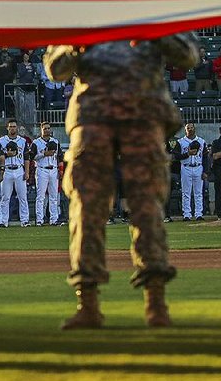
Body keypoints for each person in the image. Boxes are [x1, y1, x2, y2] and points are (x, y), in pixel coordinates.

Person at [44, 33, 200, 329]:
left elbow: (188, 56)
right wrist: (79, 45)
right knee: (86, 209)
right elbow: (55, 70)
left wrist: (156, 34)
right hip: (92, 121)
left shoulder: (152, 12)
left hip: (143, 117)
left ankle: (156, 302)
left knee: (146, 208)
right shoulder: (79, 19)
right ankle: (87, 302)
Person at [0, 119, 31, 227]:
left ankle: (25, 220)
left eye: (14, 126)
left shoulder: (22, 141)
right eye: (10, 126)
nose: (12, 128)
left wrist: (27, 172)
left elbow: (26, 157)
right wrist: (7, 155)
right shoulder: (1, 140)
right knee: (5, 197)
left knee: (22, 196)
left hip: (19, 170)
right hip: (7, 170)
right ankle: (3, 221)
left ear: (17, 128)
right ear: (7, 128)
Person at [30, 122, 63, 226]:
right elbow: (32, 157)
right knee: (40, 196)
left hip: (53, 169)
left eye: (48, 128)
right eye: (45, 128)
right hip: (41, 169)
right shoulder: (36, 142)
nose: (47, 130)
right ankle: (39, 219)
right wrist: (44, 154)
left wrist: (61, 170)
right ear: (41, 130)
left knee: (54, 196)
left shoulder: (55, 142)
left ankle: (54, 219)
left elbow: (60, 157)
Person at [174, 123, 207, 221]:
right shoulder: (180, 142)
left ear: (194, 129)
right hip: (186, 167)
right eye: (188, 128)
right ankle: (187, 214)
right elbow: (176, 156)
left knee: (198, 192)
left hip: (198, 167)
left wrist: (205, 171)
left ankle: (198, 214)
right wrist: (187, 154)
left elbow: (205, 157)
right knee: (186, 192)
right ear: (185, 130)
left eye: (192, 127)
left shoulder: (201, 141)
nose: (190, 129)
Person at [211, 127, 221, 218]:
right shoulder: (216, 142)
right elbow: (215, 156)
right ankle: (219, 213)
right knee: (219, 192)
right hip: (219, 170)